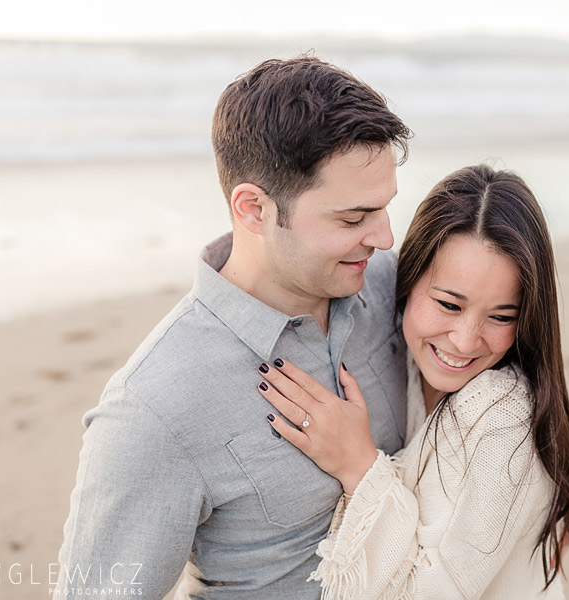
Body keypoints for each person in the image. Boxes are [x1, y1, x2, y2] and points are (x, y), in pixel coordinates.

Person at [55, 56, 412, 599]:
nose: (384, 238)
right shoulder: (153, 408)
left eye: (385, 209)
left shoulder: (391, 285)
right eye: (352, 219)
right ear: (253, 210)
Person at [258, 164, 569, 599]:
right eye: (449, 305)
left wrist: (358, 465)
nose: (465, 340)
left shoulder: (500, 414)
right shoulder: (406, 366)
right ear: (409, 279)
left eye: (501, 316)